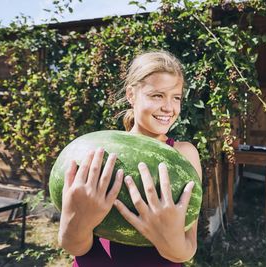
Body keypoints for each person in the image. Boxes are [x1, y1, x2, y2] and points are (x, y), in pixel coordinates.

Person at [58, 51, 202, 267]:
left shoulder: (184, 154)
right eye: (157, 95)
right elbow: (73, 246)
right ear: (131, 94)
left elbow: (186, 251)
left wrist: (169, 238)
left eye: (176, 97)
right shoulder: (99, 152)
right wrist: (76, 222)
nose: (169, 107)